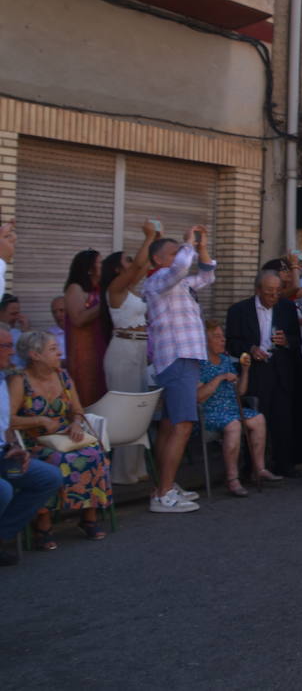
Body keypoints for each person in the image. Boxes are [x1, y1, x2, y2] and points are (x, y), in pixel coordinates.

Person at [9, 330, 112, 546]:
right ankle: (43, 524)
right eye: (53, 349)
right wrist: (39, 421)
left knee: (94, 454)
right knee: (55, 460)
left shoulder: (63, 376)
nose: (59, 353)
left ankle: (88, 517)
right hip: (33, 441)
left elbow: (77, 409)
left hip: (64, 435)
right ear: (35, 355)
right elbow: (8, 419)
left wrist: (75, 423)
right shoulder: (20, 380)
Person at [143, 226, 216, 513]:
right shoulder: (159, 279)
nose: (179, 258)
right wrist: (188, 246)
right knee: (183, 425)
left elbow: (208, 274)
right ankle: (163, 494)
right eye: (171, 254)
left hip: (184, 357)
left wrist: (203, 247)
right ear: (158, 261)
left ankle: (166, 485)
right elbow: (181, 267)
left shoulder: (179, 283)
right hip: (177, 357)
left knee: (170, 424)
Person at [226, 269, 302, 477]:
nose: (274, 296)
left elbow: (297, 340)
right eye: (269, 291)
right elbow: (232, 343)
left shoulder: (287, 308)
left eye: (278, 291)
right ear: (258, 290)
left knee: (282, 418)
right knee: (255, 416)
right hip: (254, 370)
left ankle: (283, 464)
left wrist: (286, 341)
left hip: (280, 368)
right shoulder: (238, 310)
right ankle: (250, 466)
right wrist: (251, 349)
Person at [100, 220, 159, 484]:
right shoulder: (115, 290)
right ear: (116, 268)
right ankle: (122, 471)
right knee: (125, 408)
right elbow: (139, 265)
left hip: (139, 348)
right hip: (123, 349)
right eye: (126, 259)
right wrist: (148, 238)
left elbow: (145, 266)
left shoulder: (133, 289)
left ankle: (136, 467)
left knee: (139, 408)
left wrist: (157, 238)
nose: (132, 261)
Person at [1, 320, 64, 566]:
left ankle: (2, 534)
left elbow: (4, 424)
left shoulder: (2, 380)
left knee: (48, 477)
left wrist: (12, 447)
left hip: (4, 454)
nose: (11, 351)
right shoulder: (16, 380)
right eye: (5, 345)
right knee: (3, 490)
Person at [198, 322, 279, 496]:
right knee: (234, 425)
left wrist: (245, 370)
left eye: (223, 336)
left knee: (258, 419)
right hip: (211, 412)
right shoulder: (200, 364)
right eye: (217, 337)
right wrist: (219, 378)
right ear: (205, 341)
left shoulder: (227, 360)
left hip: (233, 409)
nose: (223, 340)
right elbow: (199, 396)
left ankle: (259, 469)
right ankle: (232, 479)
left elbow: (240, 391)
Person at [63, 248, 107, 405]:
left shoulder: (100, 289)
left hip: (100, 346)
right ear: (89, 269)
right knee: (87, 392)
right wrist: (103, 304)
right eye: (100, 263)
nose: (104, 266)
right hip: (84, 351)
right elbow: (78, 319)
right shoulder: (75, 288)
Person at [45, 297, 67, 363]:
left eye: (61, 310)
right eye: (54, 312)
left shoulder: (82, 332)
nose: (58, 315)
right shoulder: (49, 335)